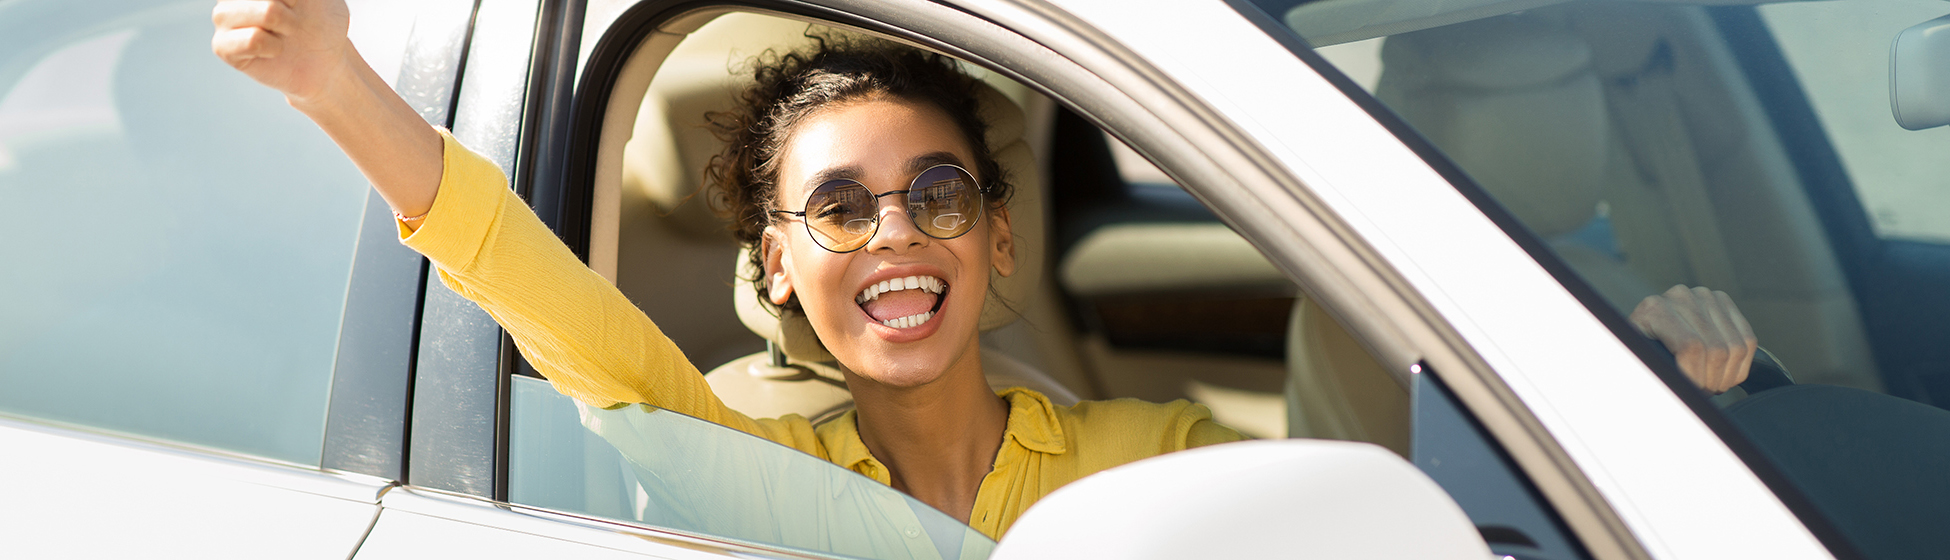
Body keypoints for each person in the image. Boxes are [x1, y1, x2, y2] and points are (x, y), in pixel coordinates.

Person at [209, 0, 1759, 538]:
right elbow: (547, 299)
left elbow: (1392, 486)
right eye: (840, 209)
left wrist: (1640, 380)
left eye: (938, 194)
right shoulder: (745, 465)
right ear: (774, 266)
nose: (896, 231)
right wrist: (343, 88)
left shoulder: (1143, 461)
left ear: (996, 241)